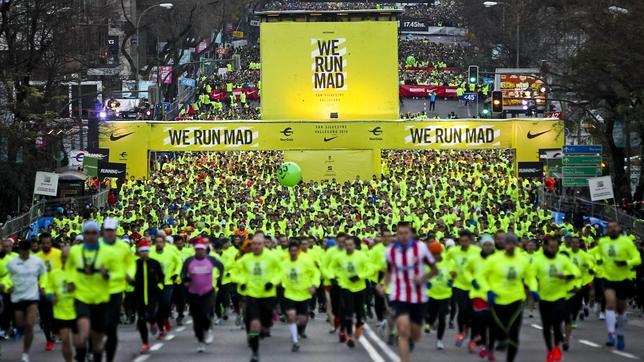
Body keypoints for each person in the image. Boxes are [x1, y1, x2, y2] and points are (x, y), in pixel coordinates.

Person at [377, 221, 437, 362]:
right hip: (399, 294)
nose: (403, 236)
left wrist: (423, 278)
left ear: (410, 234)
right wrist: (384, 285)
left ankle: (411, 337)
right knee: (403, 330)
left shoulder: (421, 248)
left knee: (415, 334)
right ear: (396, 235)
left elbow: (435, 270)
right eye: (400, 233)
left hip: (418, 296)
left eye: (406, 233)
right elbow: (389, 272)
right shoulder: (390, 251)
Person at [479, 232, 537, 362]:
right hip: (497, 299)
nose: (511, 246)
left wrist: (533, 289)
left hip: (516, 300)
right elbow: (481, 276)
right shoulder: (494, 259)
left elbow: (530, 277)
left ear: (517, 245)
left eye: (513, 243)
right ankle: (497, 341)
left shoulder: (522, 260)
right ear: (504, 244)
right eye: (508, 243)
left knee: (514, 333)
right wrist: (488, 290)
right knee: (499, 329)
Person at [65, 220, 116, 362]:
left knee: (97, 343)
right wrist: (70, 282)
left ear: (99, 234)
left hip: (100, 299)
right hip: (81, 298)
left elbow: (116, 274)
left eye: (94, 233)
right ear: (83, 234)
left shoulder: (107, 252)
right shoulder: (75, 252)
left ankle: (96, 356)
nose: (90, 236)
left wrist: (106, 274)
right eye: (87, 233)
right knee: (83, 336)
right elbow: (69, 270)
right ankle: (81, 356)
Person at [233, 231, 282, 362]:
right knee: (254, 323)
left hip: (267, 295)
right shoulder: (245, 259)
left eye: (259, 244)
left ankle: (262, 329)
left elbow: (280, 271)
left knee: (265, 324)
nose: (256, 246)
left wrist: (272, 282)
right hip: (251, 294)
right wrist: (242, 282)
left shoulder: (272, 258)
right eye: (254, 244)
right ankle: (255, 351)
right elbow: (235, 272)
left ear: (263, 245)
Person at [531, 235, 580, 362]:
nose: (553, 249)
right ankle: (550, 350)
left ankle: (557, 346)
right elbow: (531, 277)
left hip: (559, 296)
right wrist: (533, 290)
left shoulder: (562, 259)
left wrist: (566, 276)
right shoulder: (538, 260)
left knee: (556, 321)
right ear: (545, 246)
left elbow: (576, 271)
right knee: (547, 326)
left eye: (555, 247)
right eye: (550, 247)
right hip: (544, 297)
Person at [596, 222, 641, 350]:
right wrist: (599, 259)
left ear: (619, 228)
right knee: (610, 305)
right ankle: (611, 333)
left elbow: (637, 259)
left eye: (615, 227)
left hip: (623, 279)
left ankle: (620, 332)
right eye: (610, 227)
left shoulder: (627, 242)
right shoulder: (603, 242)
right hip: (607, 277)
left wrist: (626, 262)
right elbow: (597, 253)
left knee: (621, 309)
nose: (612, 229)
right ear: (607, 230)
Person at [4, 239, 47, 362]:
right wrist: (7, 286)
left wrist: (42, 286)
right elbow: (7, 277)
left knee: (29, 324)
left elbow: (44, 275)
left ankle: (25, 354)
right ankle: (19, 331)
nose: (25, 255)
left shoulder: (37, 261)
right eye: (22, 253)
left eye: (27, 252)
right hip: (17, 297)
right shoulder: (12, 263)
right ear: (19, 251)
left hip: (32, 297)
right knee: (20, 324)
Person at [180, 238, 223, 352]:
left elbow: (221, 267)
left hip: (208, 292)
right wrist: (186, 280)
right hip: (193, 293)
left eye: (202, 249)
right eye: (197, 249)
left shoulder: (211, 260)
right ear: (195, 250)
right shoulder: (189, 261)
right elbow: (183, 273)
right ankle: (200, 341)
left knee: (205, 314)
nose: (200, 251)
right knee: (196, 319)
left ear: (205, 250)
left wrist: (220, 280)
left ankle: (208, 330)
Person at [100, 218, 134, 362]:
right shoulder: (96, 246)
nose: (109, 233)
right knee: (97, 324)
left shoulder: (123, 247)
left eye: (112, 231)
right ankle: (93, 349)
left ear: (116, 231)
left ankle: (110, 356)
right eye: (107, 231)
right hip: (98, 290)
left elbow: (131, 265)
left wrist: (129, 275)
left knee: (112, 325)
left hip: (116, 289)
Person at [280, 240, 320, 352]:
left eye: (295, 250)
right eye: (291, 250)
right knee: (291, 315)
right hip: (289, 293)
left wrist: (314, 285)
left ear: (298, 251)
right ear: (289, 252)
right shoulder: (284, 263)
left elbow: (316, 273)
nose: (293, 252)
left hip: (304, 294)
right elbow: (278, 275)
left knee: (302, 319)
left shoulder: (306, 261)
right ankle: (295, 341)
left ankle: (297, 330)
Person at [329, 235, 369, 348]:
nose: (348, 247)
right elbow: (332, 267)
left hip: (360, 287)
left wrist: (359, 276)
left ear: (354, 245)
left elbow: (369, 269)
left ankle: (358, 325)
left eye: (350, 245)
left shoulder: (361, 256)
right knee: (348, 311)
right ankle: (349, 336)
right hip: (346, 287)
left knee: (359, 311)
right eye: (346, 245)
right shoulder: (339, 257)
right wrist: (333, 277)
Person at [445, 229, 480, 348]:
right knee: (462, 310)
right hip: (459, 285)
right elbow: (446, 259)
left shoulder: (477, 251)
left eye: (466, 241)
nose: (463, 243)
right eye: (461, 241)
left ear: (470, 241)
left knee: (472, 313)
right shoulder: (454, 251)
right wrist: (451, 270)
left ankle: (469, 334)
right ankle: (460, 333)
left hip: (473, 287)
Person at [464, 234, 496, 358]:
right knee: (478, 318)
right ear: (482, 246)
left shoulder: (497, 258)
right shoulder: (474, 258)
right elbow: (466, 270)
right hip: (477, 293)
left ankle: (483, 342)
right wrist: (472, 280)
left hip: (492, 293)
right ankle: (473, 340)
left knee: (488, 321)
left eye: (490, 245)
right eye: (485, 245)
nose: (488, 247)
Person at [132, 239, 164, 354]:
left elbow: (161, 277)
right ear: (139, 252)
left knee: (151, 315)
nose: (144, 253)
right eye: (142, 251)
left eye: (146, 251)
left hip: (152, 296)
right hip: (139, 296)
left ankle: (153, 323)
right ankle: (145, 343)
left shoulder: (154, 263)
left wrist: (159, 287)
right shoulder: (135, 264)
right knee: (141, 320)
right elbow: (130, 278)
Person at [46, 246, 76, 362]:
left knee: (79, 342)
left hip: (77, 312)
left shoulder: (78, 273)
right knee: (66, 342)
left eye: (68, 257)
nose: (65, 258)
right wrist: (51, 296)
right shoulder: (54, 274)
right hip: (61, 313)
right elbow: (49, 288)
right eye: (63, 256)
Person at [149, 234, 182, 339]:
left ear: (164, 243)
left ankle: (166, 318)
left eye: (161, 242)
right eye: (157, 242)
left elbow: (179, 263)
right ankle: (161, 329)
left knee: (165, 304)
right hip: (154, 284)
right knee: (155, 308)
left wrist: (176, 274)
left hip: (167, 283)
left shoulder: (170, 252)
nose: (159, 244)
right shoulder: (150, 252)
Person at [424, 241, 455, 350]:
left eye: (437, 253)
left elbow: (453, 273)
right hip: (432, 294)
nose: (435, 255)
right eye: (433, 253)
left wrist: (452, 280)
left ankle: (439, 340)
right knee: (431, 315)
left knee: (442, 317)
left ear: (441, 252)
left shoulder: (447, 261)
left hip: (445, 294)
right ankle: (428, 324)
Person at [34, 232, 61, 352]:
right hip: (42, 291)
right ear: (40, 244)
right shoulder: (36, 258)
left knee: (55, 317)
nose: (46, 245)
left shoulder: (58, 254)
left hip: (56, 291)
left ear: (51, 243)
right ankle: (48, 340)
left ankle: (56, 332)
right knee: (45, 319)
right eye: (43, 243)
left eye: (48, 243)